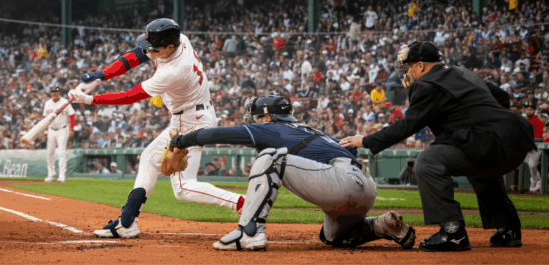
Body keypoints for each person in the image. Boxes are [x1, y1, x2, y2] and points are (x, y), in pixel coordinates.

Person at [340, 41, 536, 252]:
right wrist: (488, 124)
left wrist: (366, 140)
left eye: (410, 66)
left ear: (421, 66)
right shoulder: (462, 73)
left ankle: (453, 232)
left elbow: (408, 125)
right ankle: (509, 229)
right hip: (517, 137)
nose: (408, 72)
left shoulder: (425, 85)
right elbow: (501, 96)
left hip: (488, 140)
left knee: (428, 161)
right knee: (481, 170)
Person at [168, 94, 415, 251]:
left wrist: (181, 140)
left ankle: (249, 232)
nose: (254, 121)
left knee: (270, 158)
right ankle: (382, 225)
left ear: (267, 116)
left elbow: (217, 133)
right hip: (364, 187)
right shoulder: (310, 129)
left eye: (257, 117)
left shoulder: (272, 128)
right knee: (333, 238)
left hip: (341, 181)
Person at [69, 18, 243, 239]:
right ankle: (128, 221)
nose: (149, 51)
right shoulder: (180, 41)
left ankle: (245, 204)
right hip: (194, 114)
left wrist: (89, 99)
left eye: (155, 47)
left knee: (184, 189)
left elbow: (130, 96)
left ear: (169, 47)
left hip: (189, 122)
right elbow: (136, 55)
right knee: (149, 158)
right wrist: (102, 75)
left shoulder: (173, 71)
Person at [43, 85, 75, 183]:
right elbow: (45, 118)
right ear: (50, 93)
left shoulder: (65, 102)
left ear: (59, 92)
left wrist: (71, 129)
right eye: (53, 91)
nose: (54, 93)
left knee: (61, 152)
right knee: (49, 152)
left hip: (62, 129)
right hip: (51, 129)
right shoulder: (47, 103)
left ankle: (62, 175)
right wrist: (44, 130)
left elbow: (72, 115)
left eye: (56, 91)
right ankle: (51, 174)